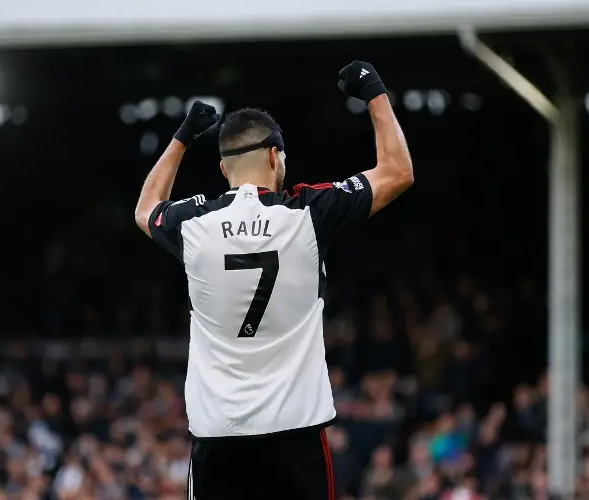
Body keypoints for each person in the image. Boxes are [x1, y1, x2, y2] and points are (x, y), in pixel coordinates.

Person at [134, 60, 413, 500]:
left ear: (224, 170)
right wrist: (374, 91)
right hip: (295, 431)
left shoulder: (193, 222)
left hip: (218, 433)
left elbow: (145, 207)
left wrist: (182, 138)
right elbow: (398, 171)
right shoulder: (306, 213)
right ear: (273, 156)